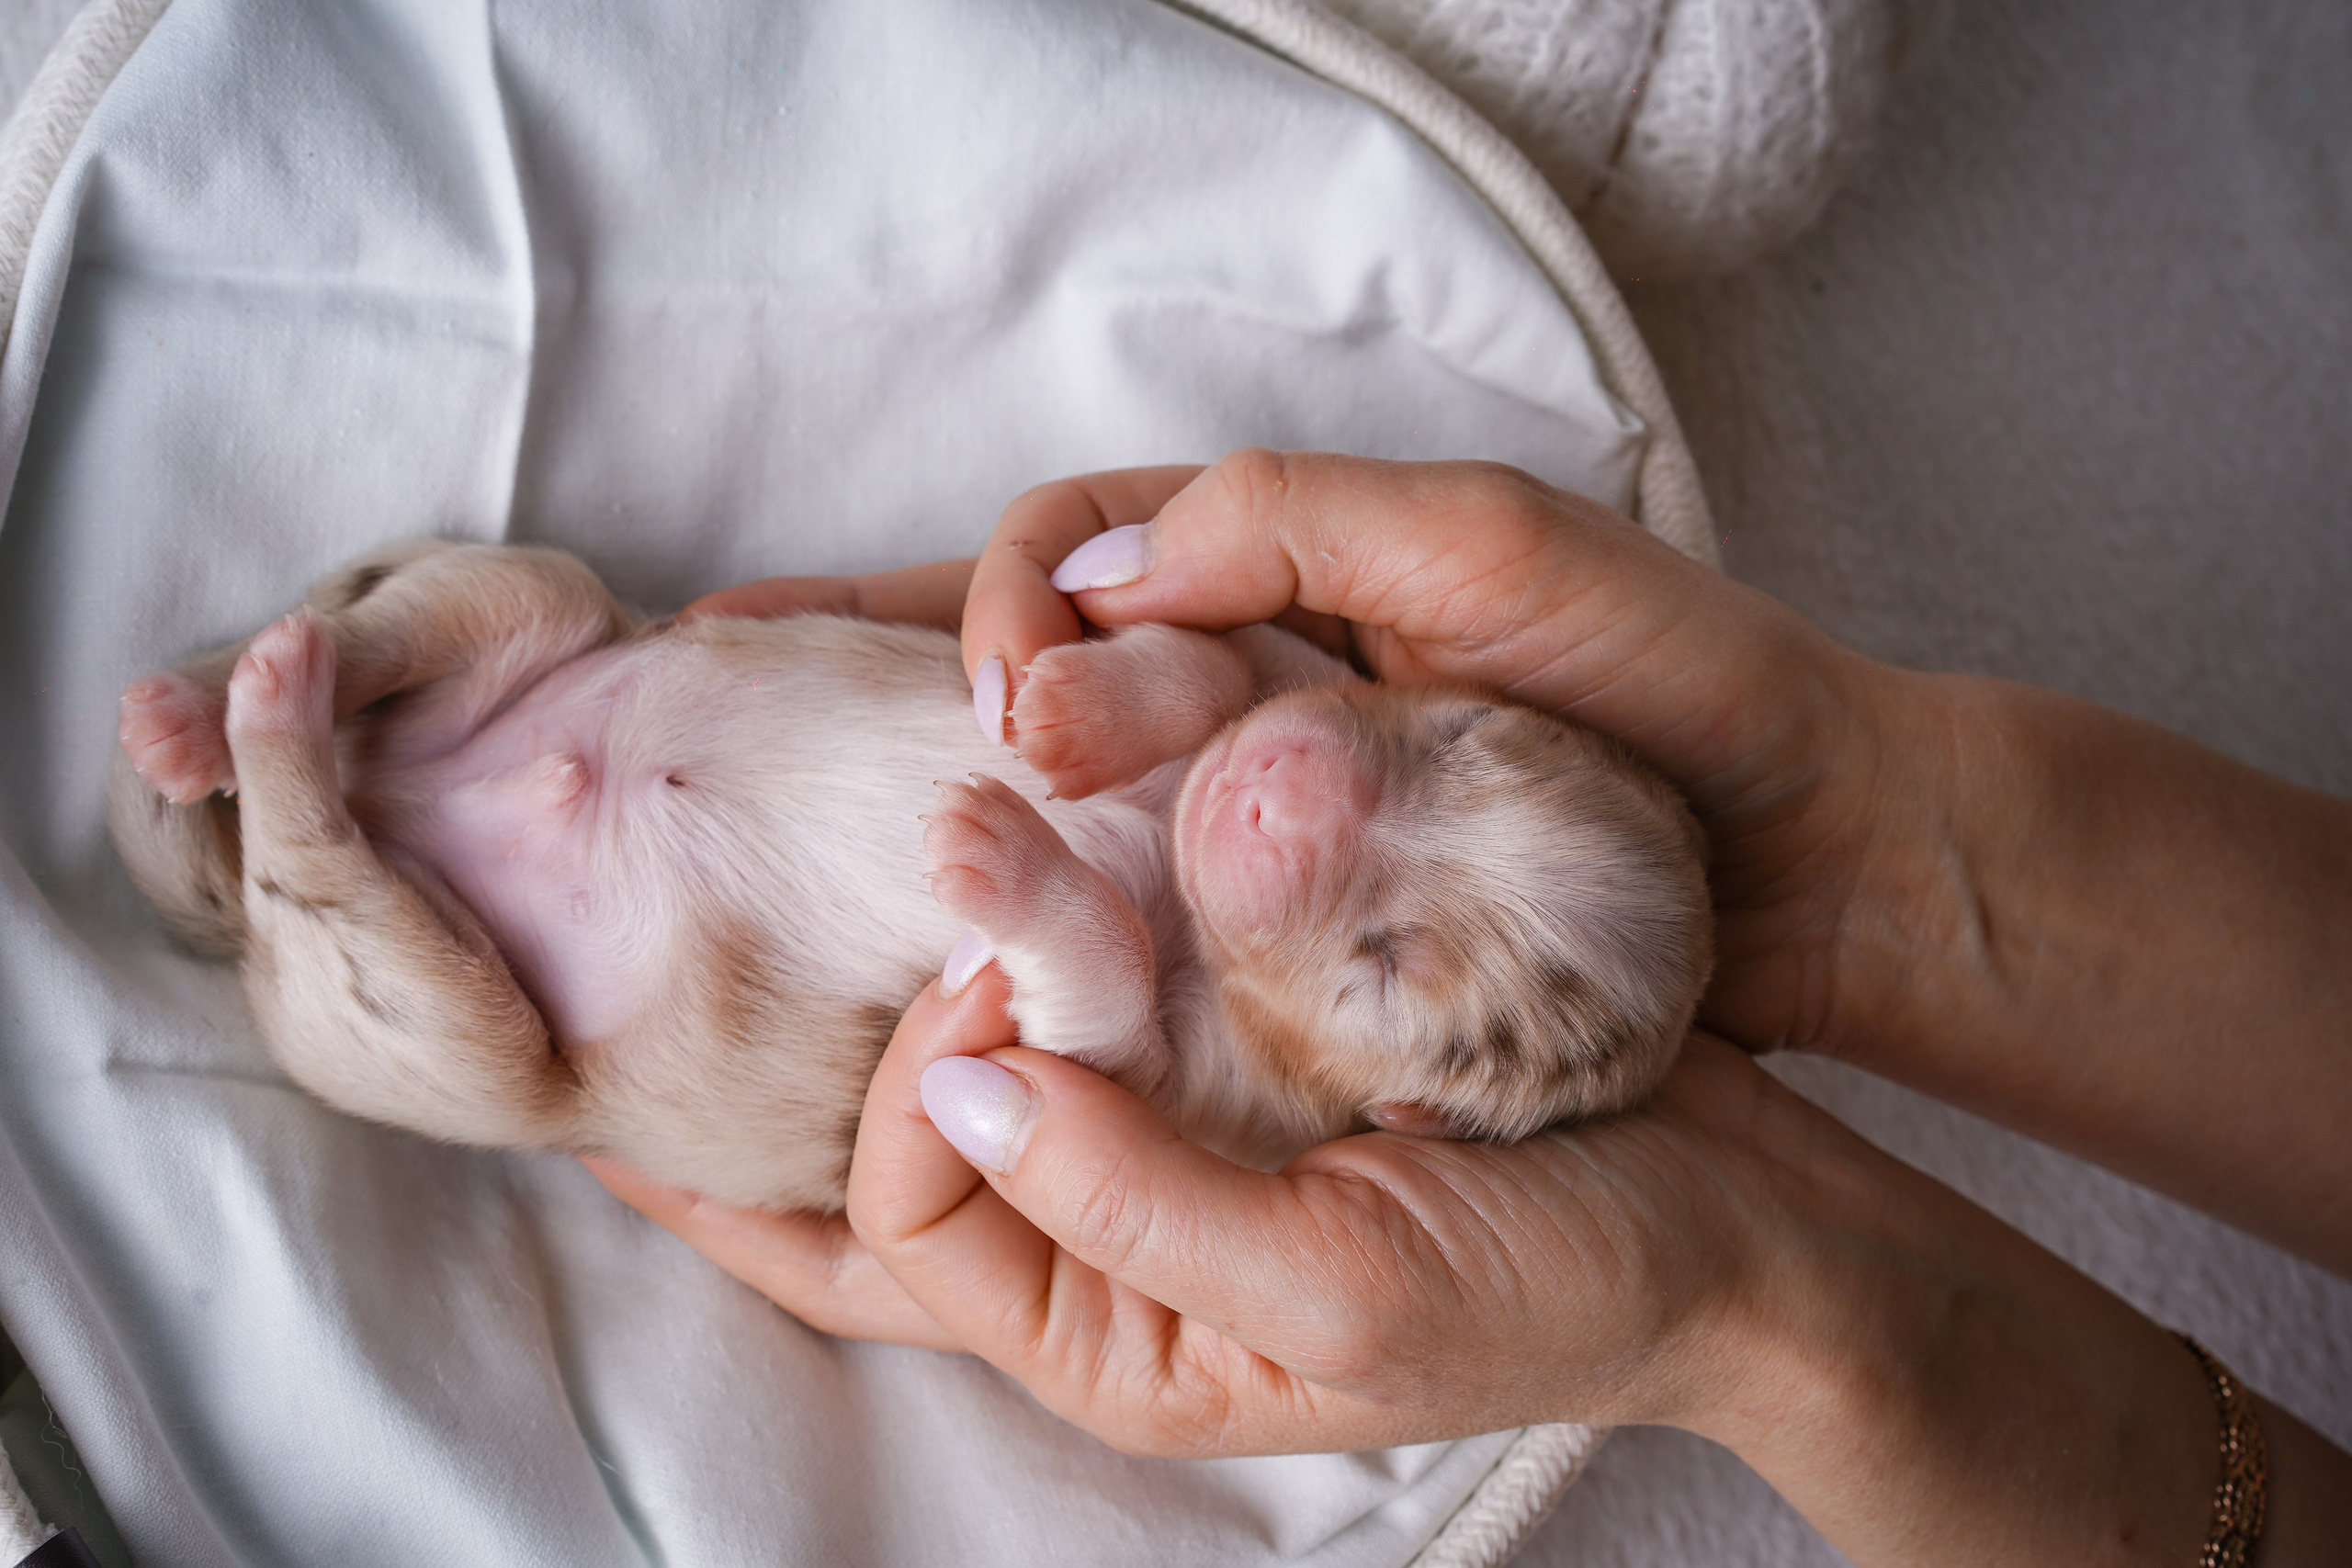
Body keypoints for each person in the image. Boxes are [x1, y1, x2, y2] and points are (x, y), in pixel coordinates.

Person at [587, 452, 2352, 1563]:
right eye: (1444, 746)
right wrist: (1144, 686)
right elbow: (1234, 687)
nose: (1307, 798)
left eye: (1379, 958)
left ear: (1408, 1109)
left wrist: (1759, 1301)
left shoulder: (1294, 1101)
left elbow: (1100, 1053)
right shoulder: (1321, 751)